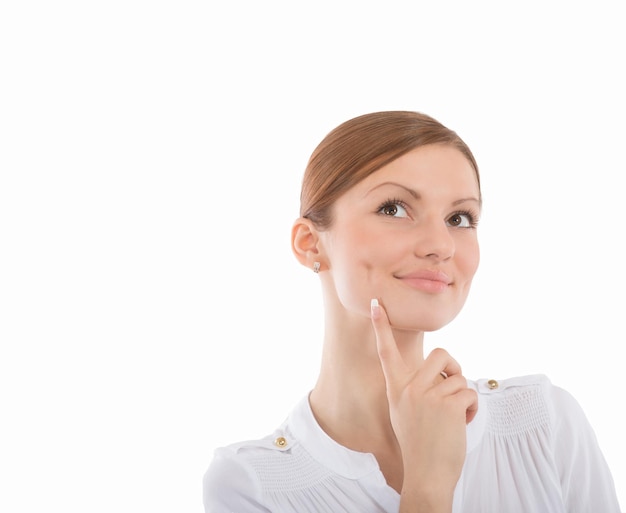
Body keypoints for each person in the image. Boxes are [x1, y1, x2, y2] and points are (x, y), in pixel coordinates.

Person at [203, 111, 621, 512]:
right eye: (393, 208)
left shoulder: (543, 424)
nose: (441, 244)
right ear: (310, 243)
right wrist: (427, 485)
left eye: (459, 217)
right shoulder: (252, 485)